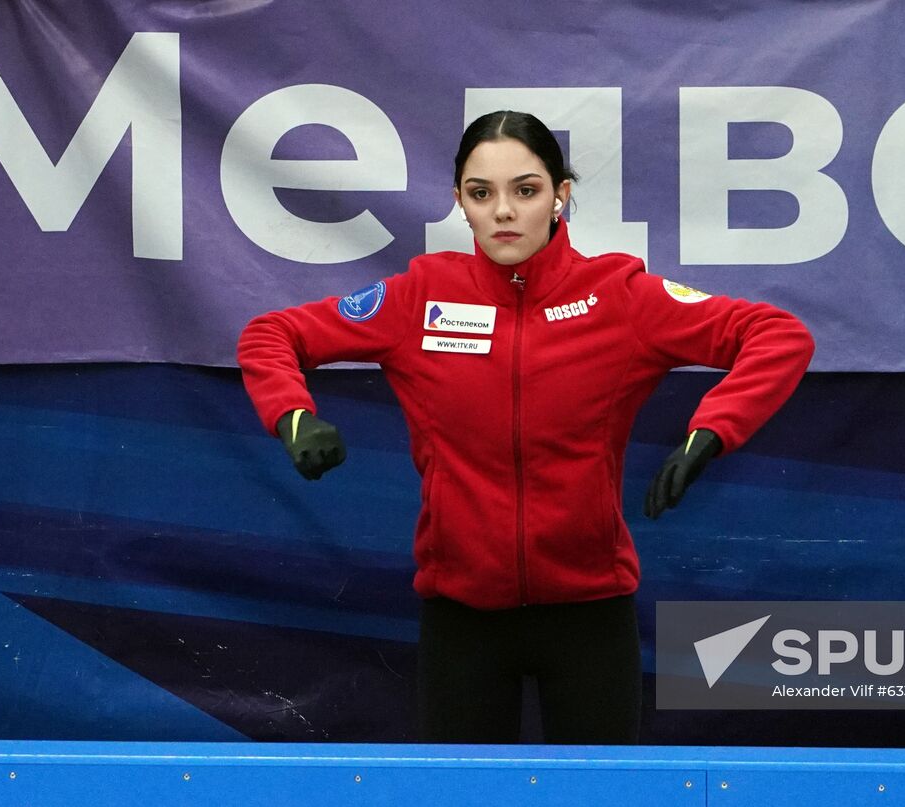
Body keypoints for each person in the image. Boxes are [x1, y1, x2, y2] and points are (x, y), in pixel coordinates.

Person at [237, 110, 814, 744]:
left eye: (526, 189)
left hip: (590, 616)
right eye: (482, 194)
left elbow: (778, 335)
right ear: (460, 202)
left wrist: (713, 430)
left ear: (561, 194)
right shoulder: (419, 297)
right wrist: (292, 413)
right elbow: (272, 334)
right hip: (461, 619)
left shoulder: (620, 295)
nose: (504, 212)